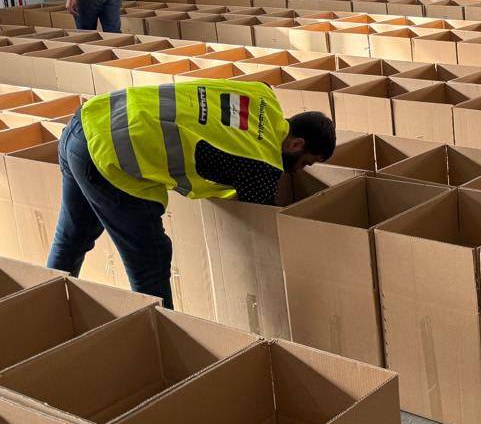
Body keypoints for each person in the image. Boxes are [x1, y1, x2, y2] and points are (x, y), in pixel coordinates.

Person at [47, 80, 335, 308]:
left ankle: (48, 309)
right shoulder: (263, 165)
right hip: (113, 155)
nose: (299, 171)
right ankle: (159, 341)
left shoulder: (263, 95)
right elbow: (264, 221)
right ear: (296, 144)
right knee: (151, 261)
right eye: (306, 163)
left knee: (72, 237)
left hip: (88, 120)